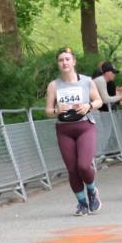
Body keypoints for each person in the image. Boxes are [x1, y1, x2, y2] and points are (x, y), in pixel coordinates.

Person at [44, 47, 104, 216]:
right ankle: (82, 203)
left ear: (74, 62)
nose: (64, 62)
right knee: (72, 169)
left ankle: (92, 191)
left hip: (84, 126)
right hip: (64, 129)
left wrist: (89, 106)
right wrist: (57, 110)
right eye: (61, 60)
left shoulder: (86, 81)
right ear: (58, 64)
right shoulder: (54, 85)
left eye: (67, 59)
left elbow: (99, 100)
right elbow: (48, 111)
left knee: (83, 165)